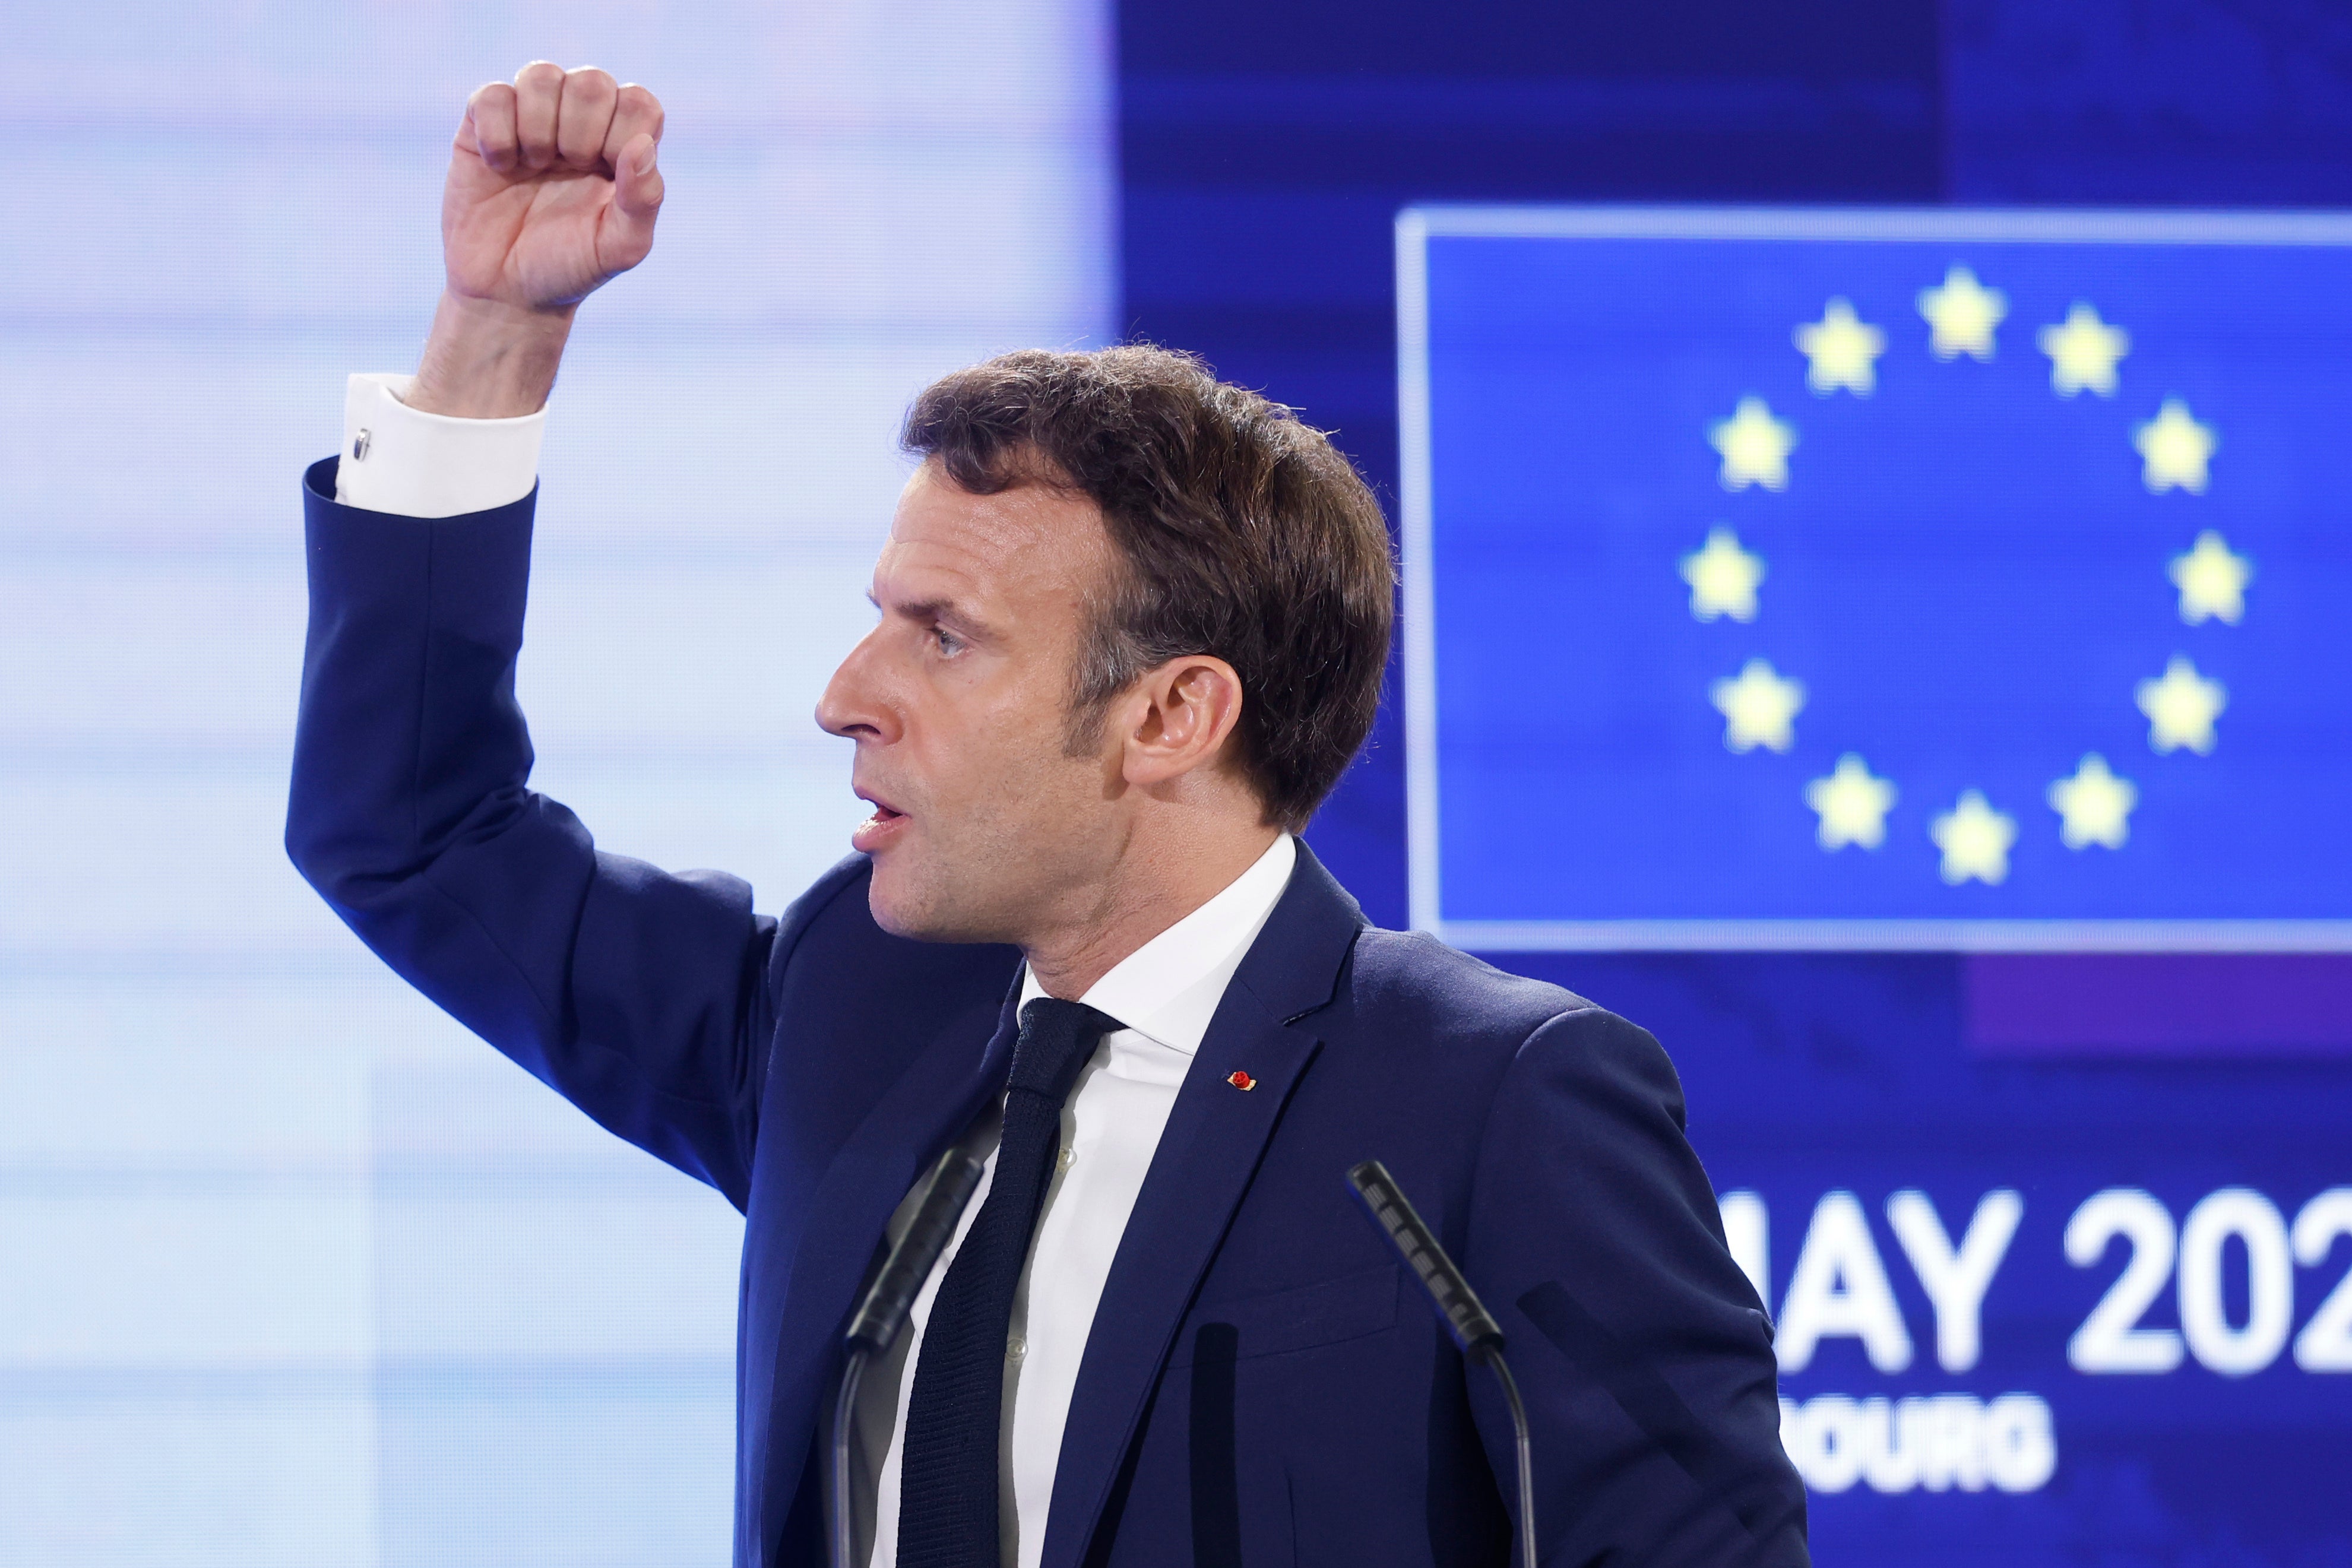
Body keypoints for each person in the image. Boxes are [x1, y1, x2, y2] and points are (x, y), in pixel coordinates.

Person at [286, 61, 1806, 1568]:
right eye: (878, 614)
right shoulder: (852, 1007)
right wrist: (495, 335)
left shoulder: (1490, 1103)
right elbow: (412, 828)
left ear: (1169, 716)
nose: (844, 692)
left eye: (941, 635)